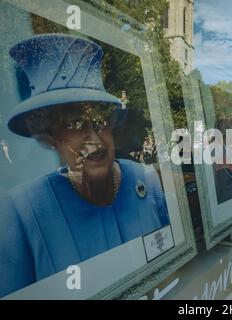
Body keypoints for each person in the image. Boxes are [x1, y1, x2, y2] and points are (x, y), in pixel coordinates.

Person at [0, 34, 170, 298]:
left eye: (100, 120)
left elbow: (170, 268)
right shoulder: (21, 211)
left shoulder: (146, 180)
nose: (95, 138)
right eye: (76, 124)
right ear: (49, 137)